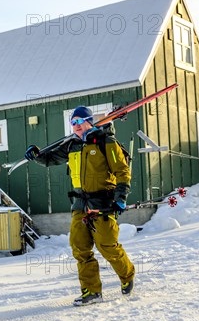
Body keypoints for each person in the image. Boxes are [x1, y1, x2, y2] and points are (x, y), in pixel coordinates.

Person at [24, 106, 135, 306]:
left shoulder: (105, 141)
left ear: (88, 121)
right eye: (72, 122)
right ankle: (91, 291)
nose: (74, 126)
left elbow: (122, 171)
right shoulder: (72, 145)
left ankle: (127, 274)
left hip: (103, 201)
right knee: (80, 248)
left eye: (77, 121)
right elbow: (50, 159)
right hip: (80, 203)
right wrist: (36, 155)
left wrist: (121, 198)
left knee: (107, 245)